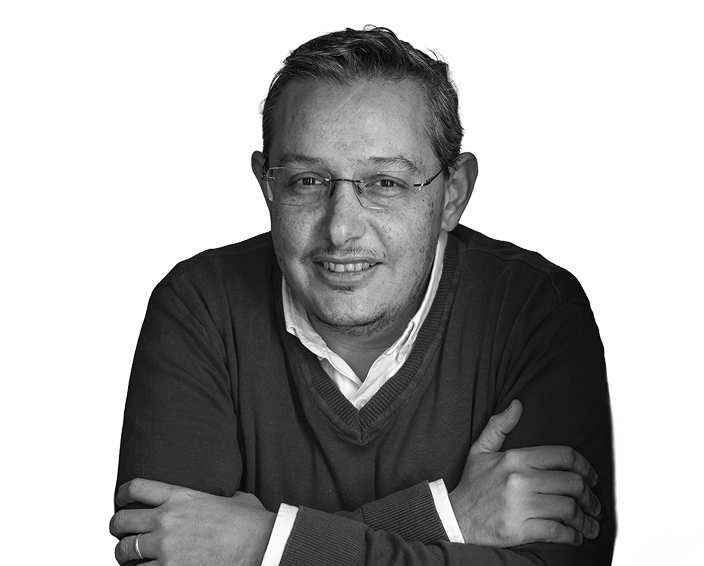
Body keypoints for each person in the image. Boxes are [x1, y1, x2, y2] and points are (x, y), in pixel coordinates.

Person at [110, 26, 615, 566]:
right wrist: (447, 519)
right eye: (307, 180)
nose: (341, 229)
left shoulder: (533, 309)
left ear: (453, 193)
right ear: (267, 185)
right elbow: (167, 553)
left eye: (385, 183)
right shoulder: (198, 308)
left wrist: (258, 544)